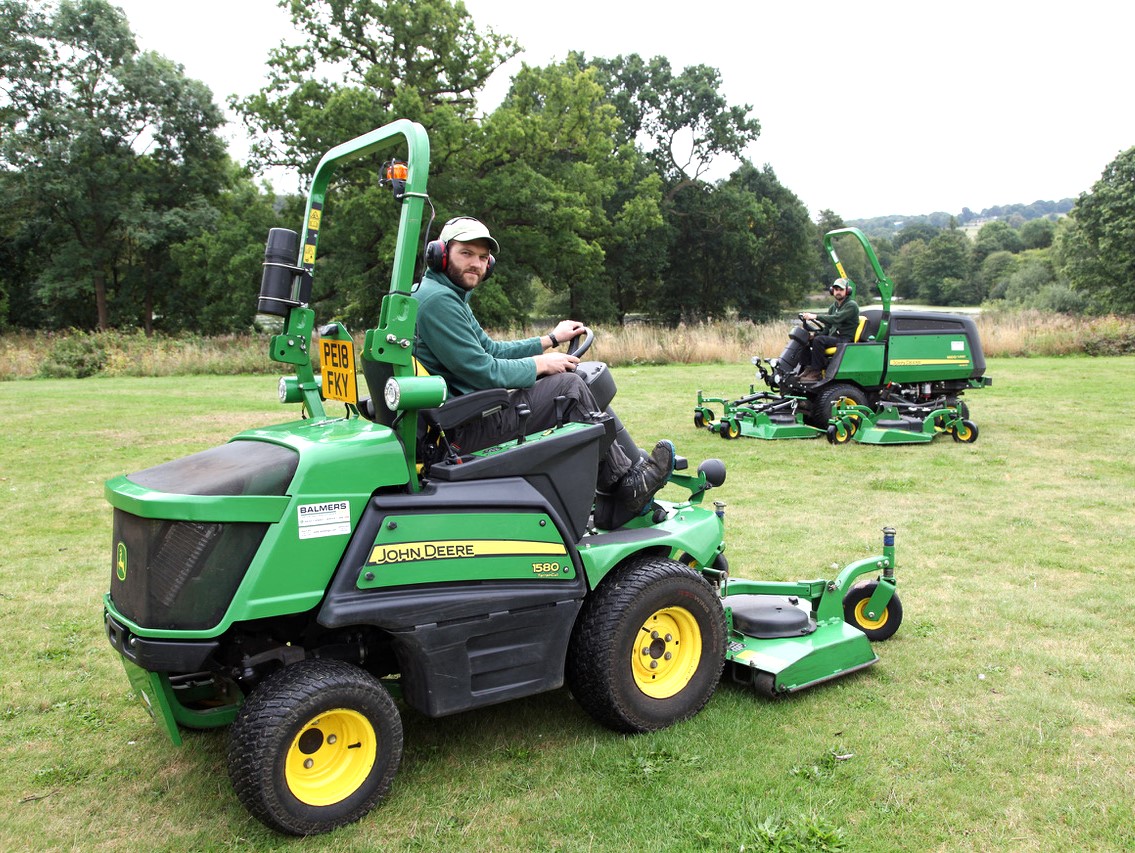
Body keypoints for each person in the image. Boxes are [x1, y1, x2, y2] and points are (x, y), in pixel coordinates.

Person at [412, 216, 674, 517]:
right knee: (571, 387)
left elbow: (490, 350)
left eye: (483, 258)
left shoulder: (444, 295)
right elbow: (484, 371)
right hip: (459, 432)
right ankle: (624, 487)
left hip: (455, 418)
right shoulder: (439, 302)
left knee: (570, 382)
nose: (476, 264)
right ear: (440, 254)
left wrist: (549, 340)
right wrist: (540, 364)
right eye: (466, 253)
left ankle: (623, 477)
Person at [797, 278, 860, 381]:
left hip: (845, 339)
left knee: (819, 340)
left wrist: (815, 316)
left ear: (847, 291)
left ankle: (817, 372)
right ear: (832, 291)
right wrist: (814, 335)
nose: (838, 292)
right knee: (806, 339)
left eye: (841, 289)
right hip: (834, 337)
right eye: (836, 289)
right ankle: (808, 367)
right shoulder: (833, 307)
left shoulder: (851, 305)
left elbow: (836, 318)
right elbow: (827, 328)